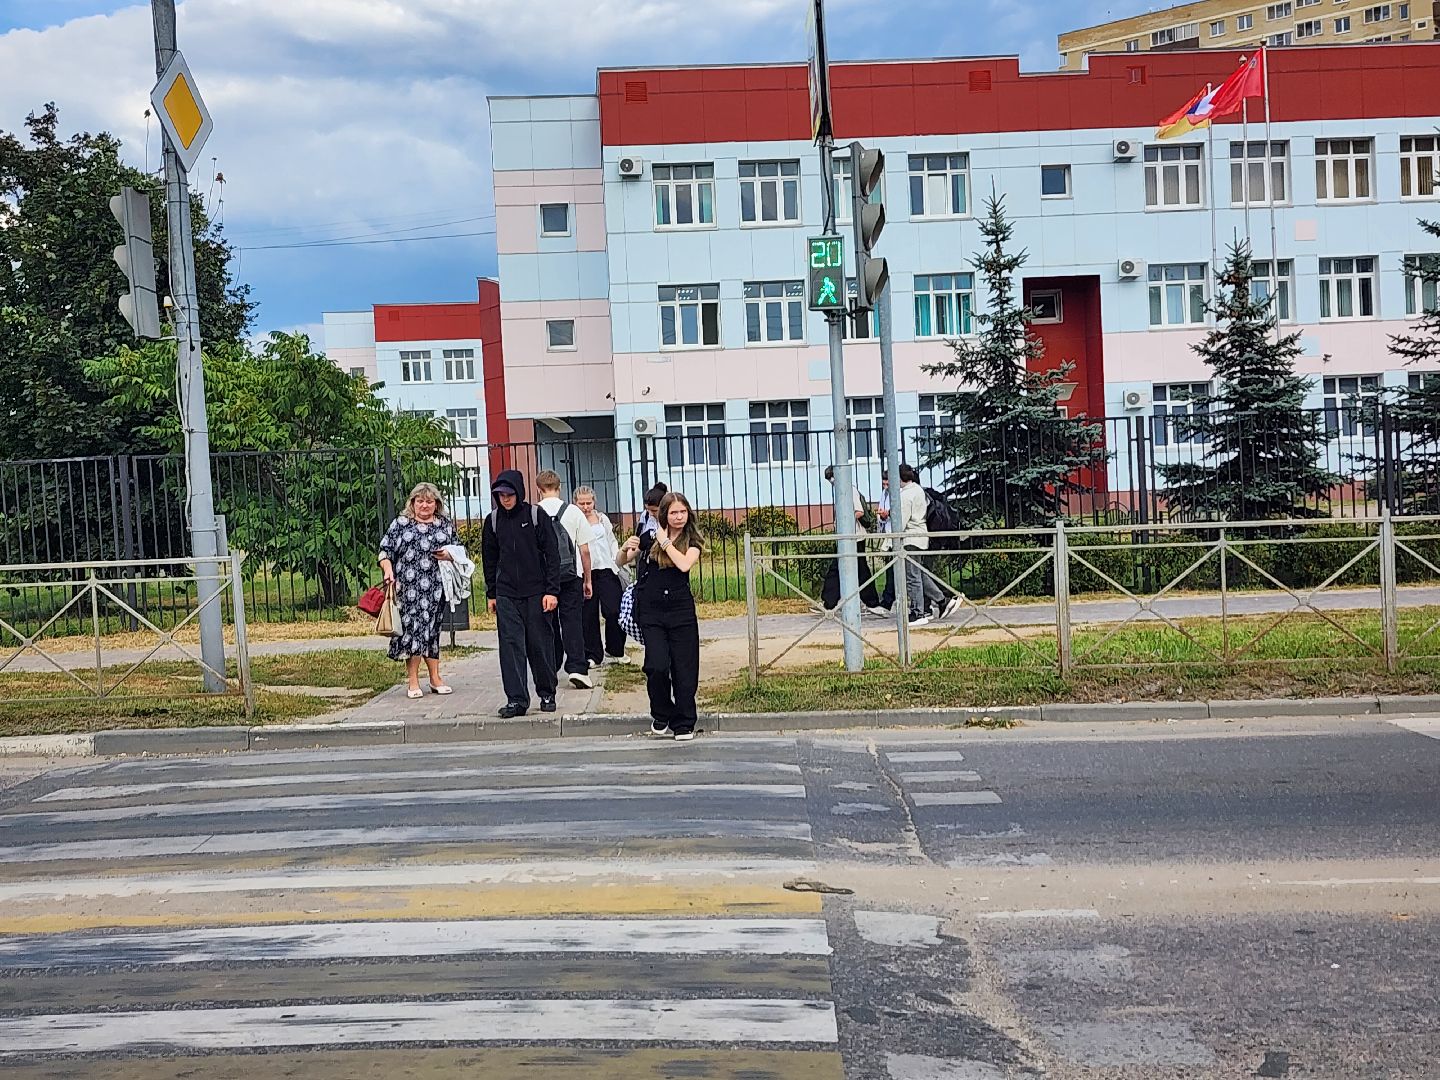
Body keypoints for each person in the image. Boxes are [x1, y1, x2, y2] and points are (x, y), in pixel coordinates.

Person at [620, 491, 703, 742]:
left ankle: (684, 722)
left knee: (684, 668)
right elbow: (622, 560)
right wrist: (624, 549)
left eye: (683, 512)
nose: (679, 517)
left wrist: (665, 542)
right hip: (652, 611)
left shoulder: (692, 540)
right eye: (674, 512)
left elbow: (684, 564)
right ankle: (662, 712)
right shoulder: (650, 537)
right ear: (664, 514)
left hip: (680, 611)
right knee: (656, 666)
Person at [481, 469, 561, 717]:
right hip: (506, 593)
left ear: (519, 492)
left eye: (509, 494)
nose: (505, 499)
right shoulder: (493, 521)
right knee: (510, 646)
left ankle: (546, 692)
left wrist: (552, 591)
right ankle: (516, 700)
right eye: (500, 495)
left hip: (537, 592)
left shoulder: (536, 515)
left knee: (539, 644)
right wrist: (492, 594)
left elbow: (552, 555)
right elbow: (489, 559)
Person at [379, 483, 459, 698]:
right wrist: (388, 570)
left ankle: (435, 678)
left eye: (429, 501)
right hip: (408, 589)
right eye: (420, 501)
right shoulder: (401, 524)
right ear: (412, 503)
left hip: (436, 589)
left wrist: (449, 555)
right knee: (413, 632)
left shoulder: (444, 525)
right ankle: (413, 681)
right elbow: (385, 551)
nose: (424, 505)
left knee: (432, 632)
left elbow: (459, 551)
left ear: (436, 504)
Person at [535, 470, 595, 690]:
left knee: (547, 624)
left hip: (543, 579)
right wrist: (587, 579)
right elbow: (585, 550)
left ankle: (550, 666)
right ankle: (577, 667)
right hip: (570, 575)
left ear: (539, 490)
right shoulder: (573, 511)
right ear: (559, 488)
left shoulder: (533, 513)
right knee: (572, 621)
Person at [575, 485, 629, 667]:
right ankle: (592, 655)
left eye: (588, 503)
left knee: (614, 610)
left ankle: (615, 649)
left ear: (594, 502)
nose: (585, 507)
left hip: (606, 569)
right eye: (581, 503)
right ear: (575, 503)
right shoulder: (574, 521)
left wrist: (616, 560)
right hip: (585, 571)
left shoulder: (602, 519)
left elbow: (611, 541)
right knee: (588, 615)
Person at [821, 465, 881, 612]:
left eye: (832, 479)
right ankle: (869, 600)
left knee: (849, 568)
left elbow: (859, 512)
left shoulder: (850, 490)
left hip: (854, 537)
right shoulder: (842, 491)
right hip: (847, 537)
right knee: (855, 568)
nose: (832, 483)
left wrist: (845, 521)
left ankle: (830, 602)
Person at [898, 464, 947, 627]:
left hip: (910, 538)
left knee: (912, 577)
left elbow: (901, 521)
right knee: (918, 573)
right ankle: (941, 600)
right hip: (920, 536)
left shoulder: (905, 495)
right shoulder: (918, 490)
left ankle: (917, 612)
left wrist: (890, 537)